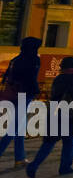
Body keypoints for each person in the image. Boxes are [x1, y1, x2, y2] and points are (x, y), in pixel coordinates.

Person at [26, 56, 73, 178]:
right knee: (69, 142)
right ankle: (65, 167)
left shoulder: (58, 78)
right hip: (69, 115)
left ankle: (34, 165)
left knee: (49, 143)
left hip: (54, 113)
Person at [0, 36, 42, 168]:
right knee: (15, 127)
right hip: (24, 95)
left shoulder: (16, 59)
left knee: (20, 127)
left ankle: (20, 158)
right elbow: (32, 78)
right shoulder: (34, 60)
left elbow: (7, 78)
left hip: (12, 94)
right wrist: (36, 91)